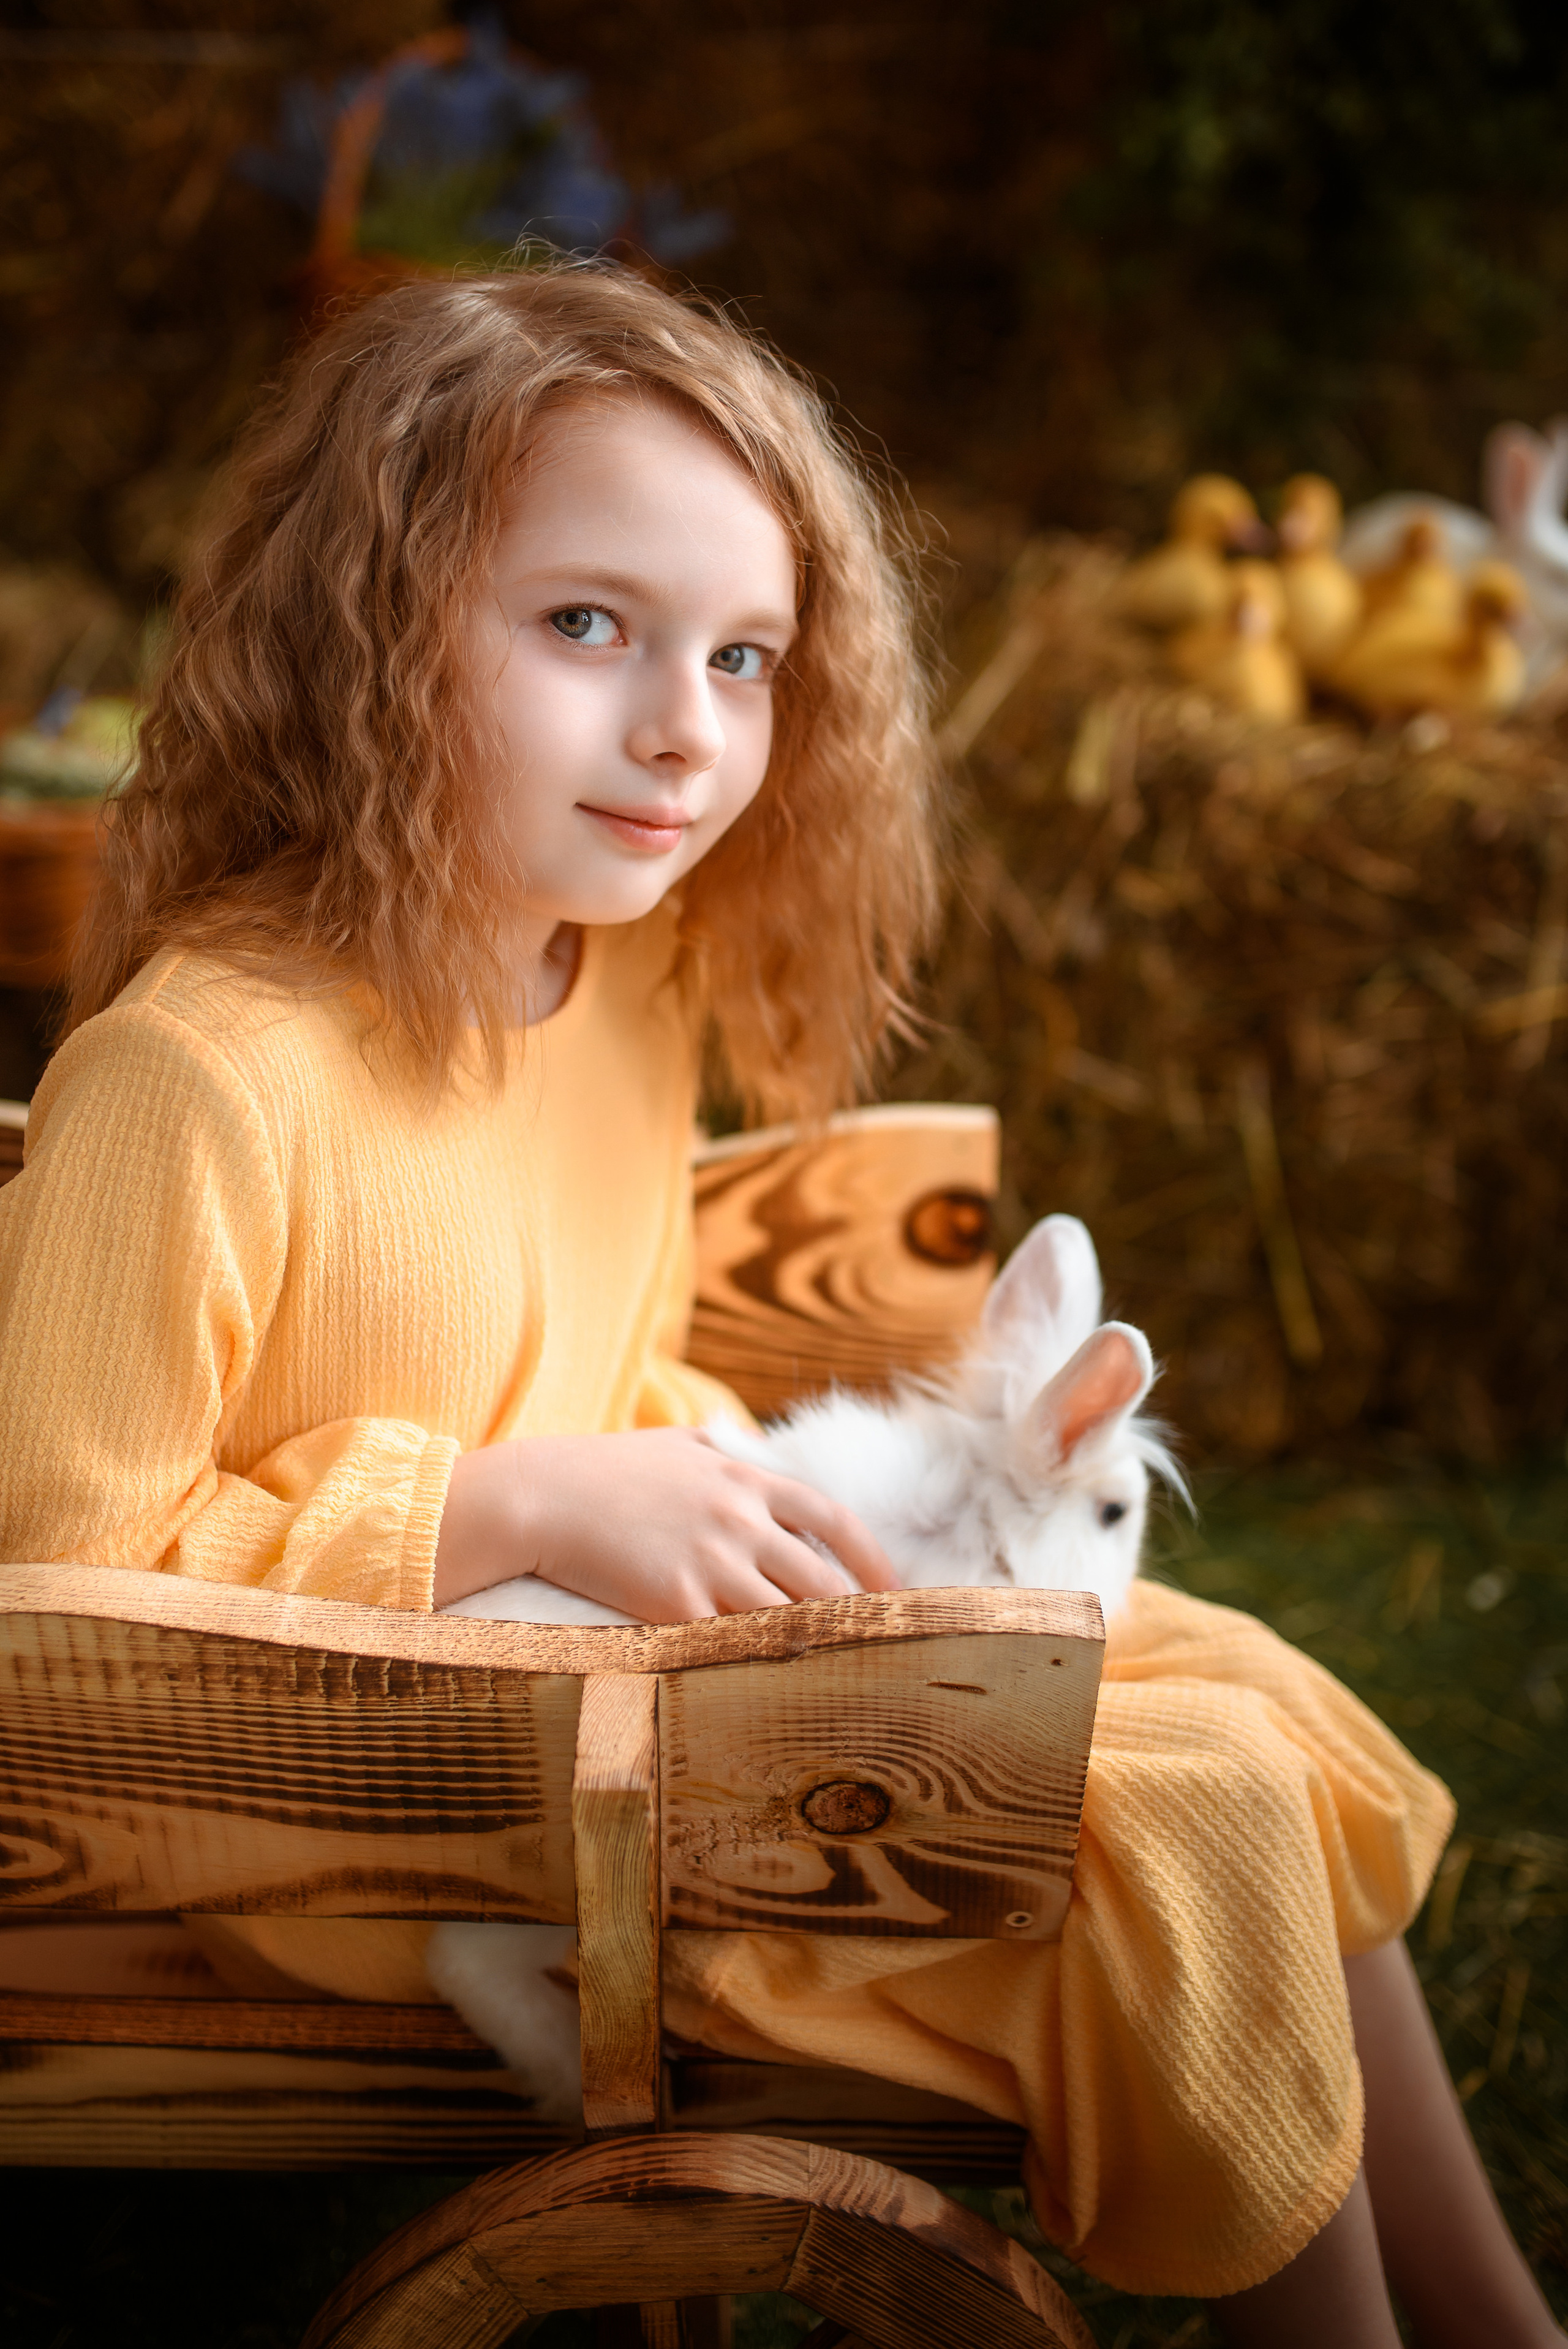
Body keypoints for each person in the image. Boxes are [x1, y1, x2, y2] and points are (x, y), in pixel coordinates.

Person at [0, 262, 1557, 2348]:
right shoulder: (200, 1079)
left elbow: (596, 1355)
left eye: (746, 656)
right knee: (1174, 1815)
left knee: (1231, 1694)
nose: (688, 730)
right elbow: (55, 1605)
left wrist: (709, 1495)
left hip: (590, 1687)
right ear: (355, 630)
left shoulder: (611, 980)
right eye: (587, 627)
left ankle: (1492, 2317)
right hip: (374, 1830)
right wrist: (510, 1507)